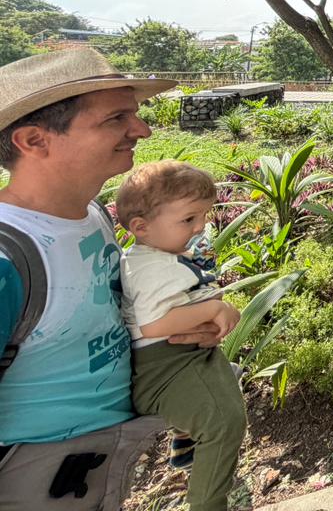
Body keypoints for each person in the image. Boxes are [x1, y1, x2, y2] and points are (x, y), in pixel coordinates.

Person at [0, 50, 224, 510]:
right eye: (116, 118)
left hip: (92, 466)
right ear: (34, 140)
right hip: (31, 479)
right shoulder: (7, 258)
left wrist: (173, 327)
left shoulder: (93, 215)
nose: (142, 130)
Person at [116, 161, 246, 511]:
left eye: (203, 216)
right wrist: (214, 309)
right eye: (189, 219)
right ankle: (208, 503)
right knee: (224, 421)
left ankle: (186, 442)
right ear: (141, 227)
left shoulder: (160, 253)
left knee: (222, 388)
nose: (200, 226)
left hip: (176, 359)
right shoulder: (150, 267)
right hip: (165, 365)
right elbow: (154, 325)